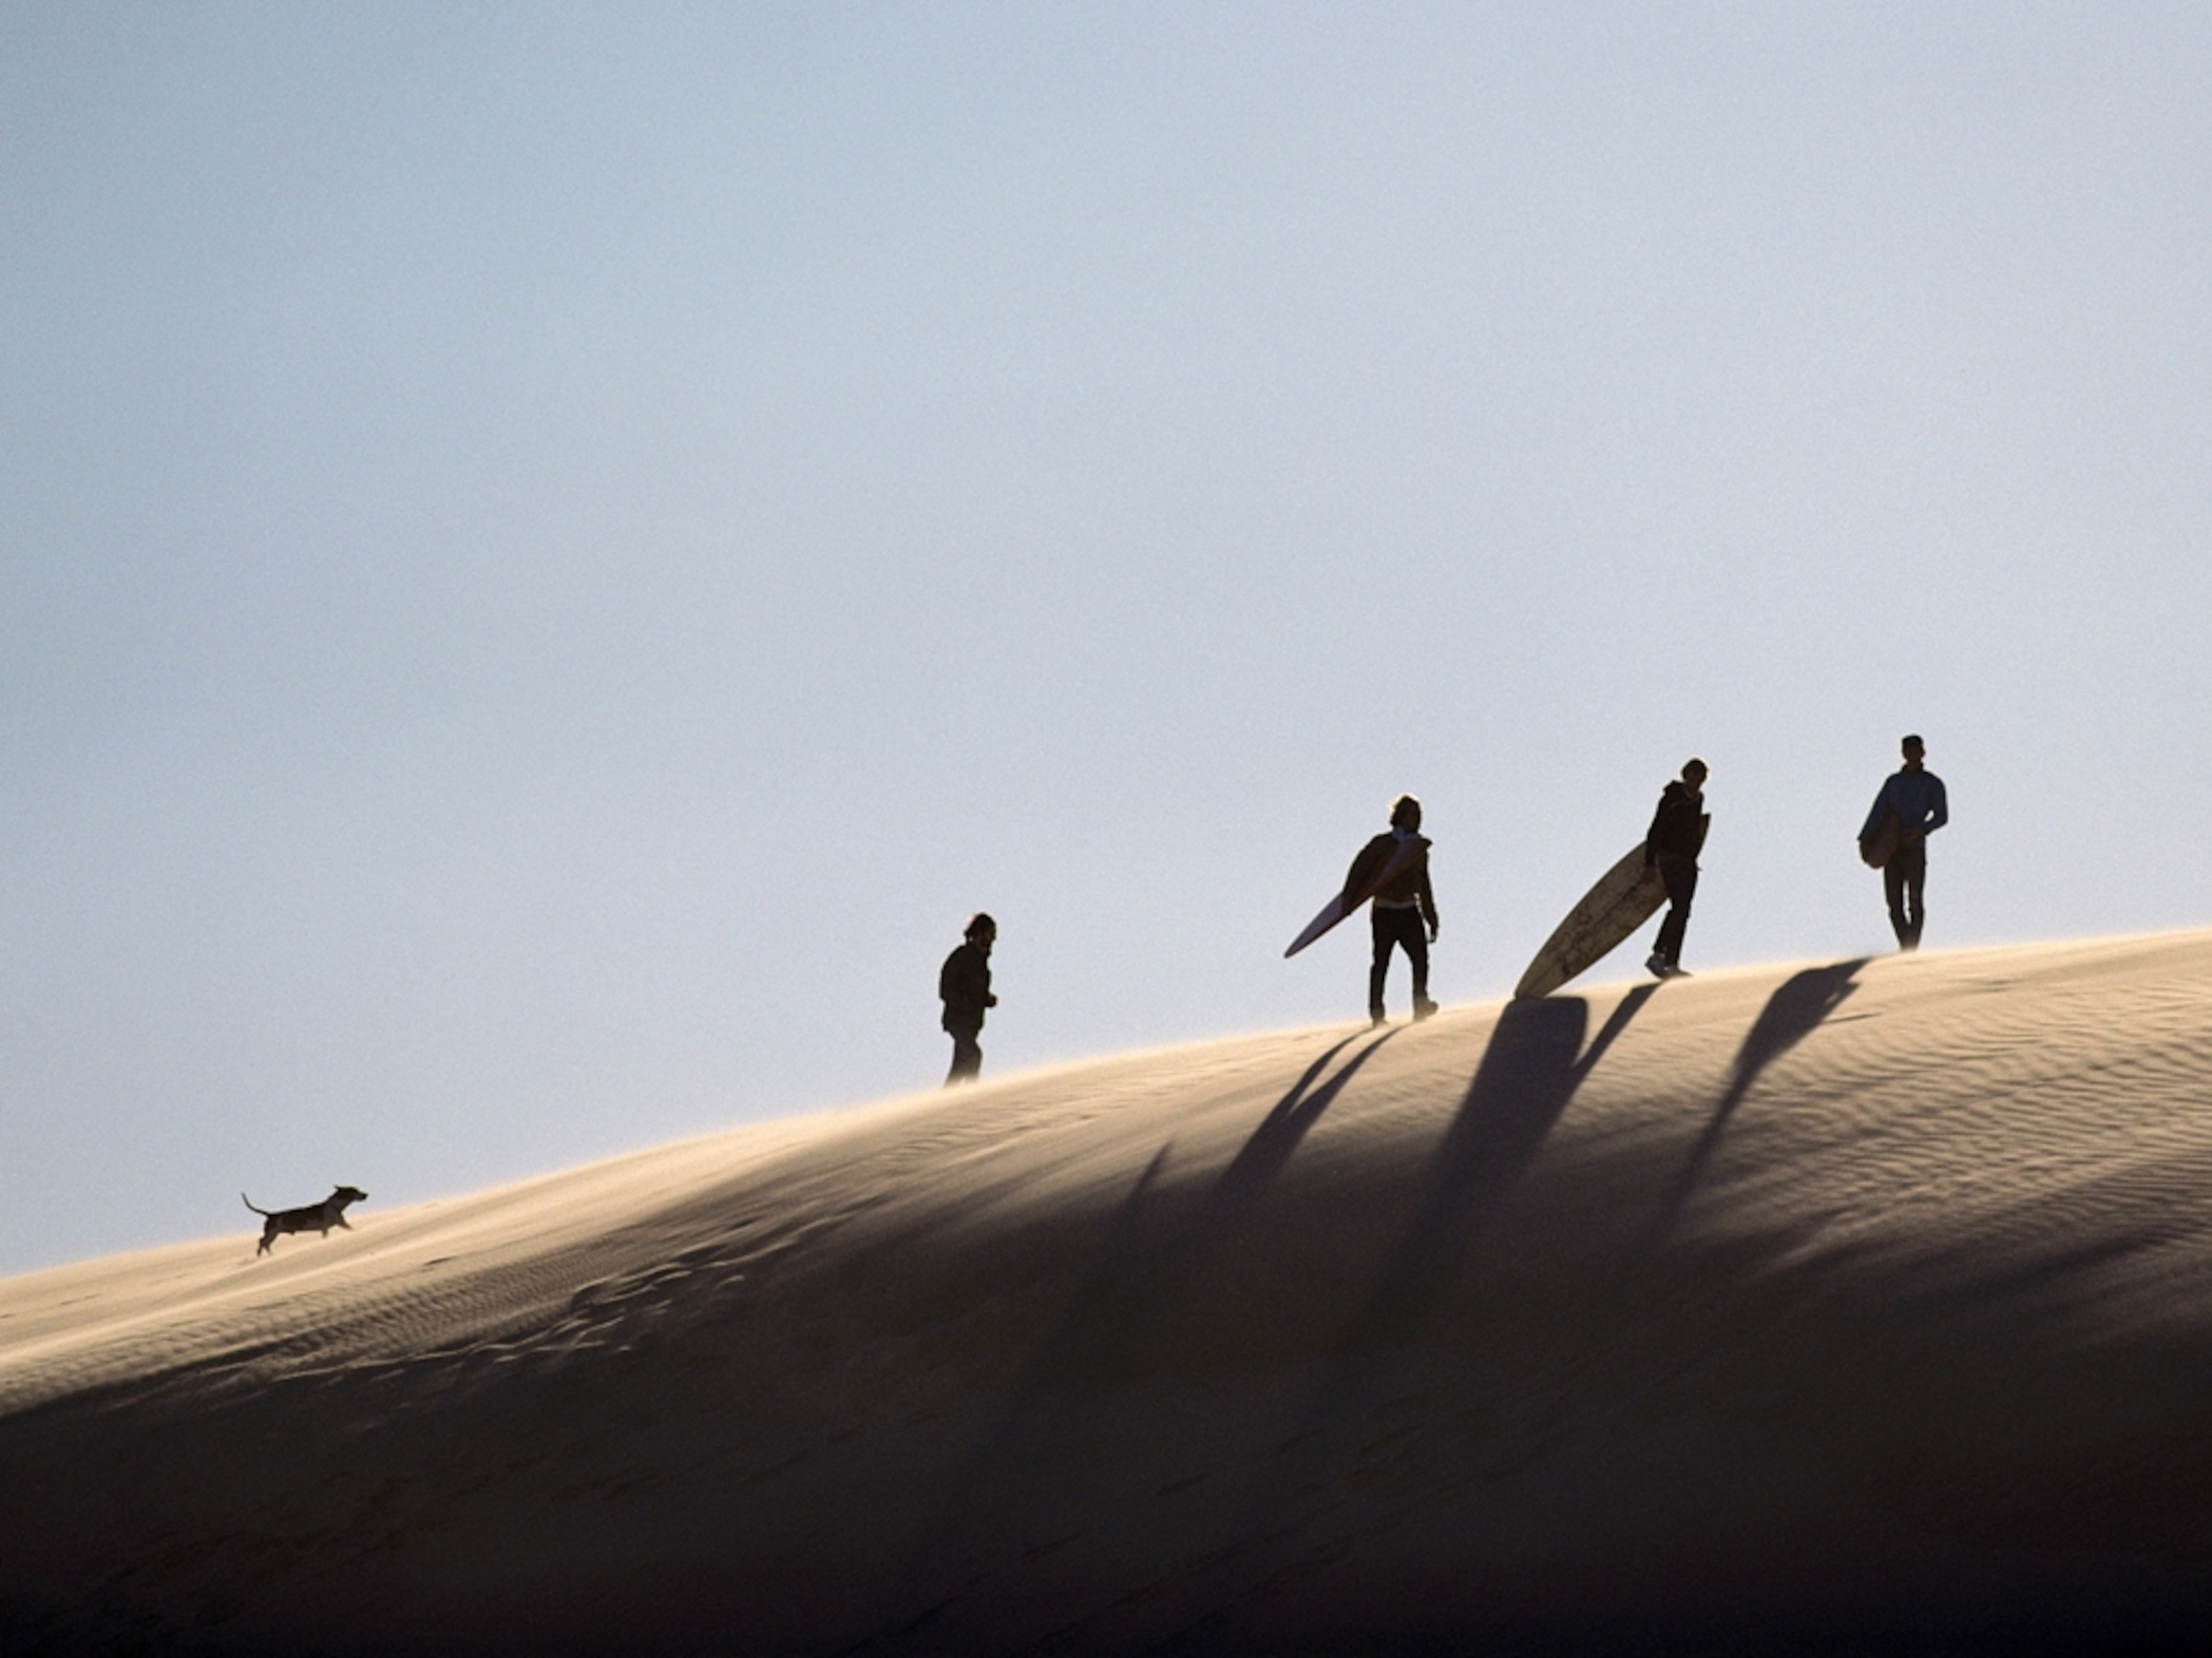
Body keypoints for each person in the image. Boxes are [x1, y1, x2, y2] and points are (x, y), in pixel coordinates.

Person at [1341, 794, 1439, 1026]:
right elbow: (1359, 869)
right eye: (1413, 815)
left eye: (1420, 815)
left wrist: (1431, 918)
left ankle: (1420, 1004)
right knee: (1381, 963)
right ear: (1400, 817)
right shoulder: (1381, 844)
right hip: (1384, 911)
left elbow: (1424, 884)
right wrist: (1348, 898)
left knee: (1420, 958)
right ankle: (1377, 1014)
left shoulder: (1418, 849)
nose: (1418, 820)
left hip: (1408, 909)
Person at [1859, 734, 1948, 951]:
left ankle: (1912, 948)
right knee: (1893, 903)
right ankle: (1905, 947)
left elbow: (1941, 816)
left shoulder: (1932, 783)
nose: (1913, 755)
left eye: (1916, 751)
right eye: (1908, 751)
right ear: (1903, 753)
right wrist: (1865, 839)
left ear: (1923, 752)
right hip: (1890, 848)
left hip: (1914, 848)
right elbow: (1878, 811)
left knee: (1915, 900)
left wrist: (1922, 829)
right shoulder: (1893, 783)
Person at [1643, 758, 1709, 980]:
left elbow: (1694, 831)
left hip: (1688, 862)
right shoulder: (1672, 798)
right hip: (1669, 858)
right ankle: (1657, 955)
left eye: (1699, 778)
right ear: (1685, 775)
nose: (1695, 782)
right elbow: (1656, 829)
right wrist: (1649, 863)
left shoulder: (1699, 799)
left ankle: (1672, 963)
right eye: (1692, 776)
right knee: (1679, 907)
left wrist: (1693, 857)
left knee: (1685, 911)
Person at [938, 913, 998, 1085]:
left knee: (959, 1069)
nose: (994, 938)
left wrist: (987, 999)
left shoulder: (982, 964)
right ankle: (971, 1097)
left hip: (972, 1024)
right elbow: (946, 989)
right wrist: (965, 1004)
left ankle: (946, 1105)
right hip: (958, 1021)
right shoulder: (962, 956)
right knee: (974, 1055)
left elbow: (976, 991)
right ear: (980, 933)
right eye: (991, 933)